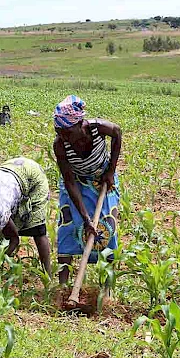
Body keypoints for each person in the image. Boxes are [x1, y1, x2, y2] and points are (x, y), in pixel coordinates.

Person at [52, 95, 122, 284]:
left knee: (107, 226)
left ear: (80, 124)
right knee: (68, 226)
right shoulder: (60, 144)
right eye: (59, 131)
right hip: (75, 182)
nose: (63, 136)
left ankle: (107, 287)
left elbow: (117, 133)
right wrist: (85, 218)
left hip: (102, 178)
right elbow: (69, 181)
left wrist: (111, 170)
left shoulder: (98, 128)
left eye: (67, 131)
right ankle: (63, 285)